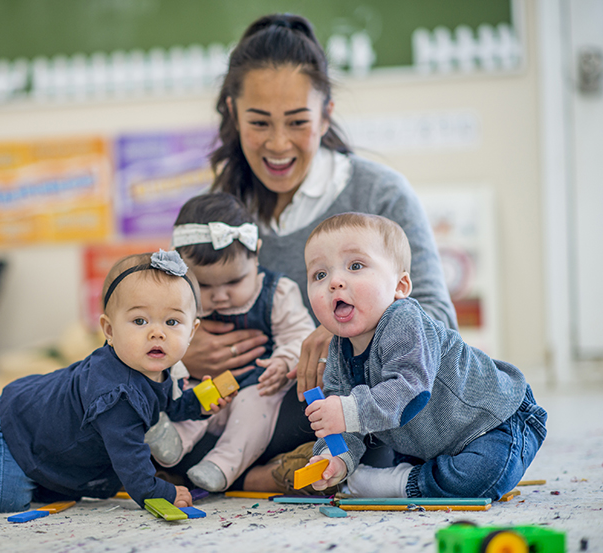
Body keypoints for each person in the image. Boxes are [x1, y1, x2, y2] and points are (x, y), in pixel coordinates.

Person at [177, 13, 458, 492]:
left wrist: (343, 335)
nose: (279, 144)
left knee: (348, 417)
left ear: (326, 114)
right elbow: (167, 302)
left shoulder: (379, 194)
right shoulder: (221, 213)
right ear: (232, 111)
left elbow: (438, 324)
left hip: (333, 401)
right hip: (237, 400)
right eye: (259, 122)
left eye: (298, 122)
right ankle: (264, 472)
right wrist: (184, 346)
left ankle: (255, 474)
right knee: (132, 399)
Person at [301, 213, 546, 499]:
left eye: (355, 265)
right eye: (320, 274)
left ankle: (396, 484)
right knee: (429, 466)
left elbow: (410, 391)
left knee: (481, 476)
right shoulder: (338, 349)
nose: (335, 282)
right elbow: (347, 424)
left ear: (400, 287)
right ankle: (406, 478)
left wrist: (346, 410)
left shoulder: (405, 319)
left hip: (494, 422)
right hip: (427, 444)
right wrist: (334, 459)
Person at [0, 250, 234, 513]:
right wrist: (160, 492)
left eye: (172, 321)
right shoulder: (116, 394)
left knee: (50, 491)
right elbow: (130, 461)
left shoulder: (163, 368)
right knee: (3, 502)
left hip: (49, 438)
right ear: (109, 330)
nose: (157, 333)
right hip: (14, 424)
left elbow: (168, 404)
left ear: (192, 332)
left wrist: (198, 403)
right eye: (140, 320)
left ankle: (34, 476)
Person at [145, 193, 315, 492]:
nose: (220, 296)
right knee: (188, 399)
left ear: (256, 254)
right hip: (205, 386)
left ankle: (222, 466)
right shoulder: (176, 299)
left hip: (257, 386)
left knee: (253, 410)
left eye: (234, 282)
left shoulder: (276, 293)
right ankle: (172, 445)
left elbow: (300, 335)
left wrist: (284, 361)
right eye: (205, 285)